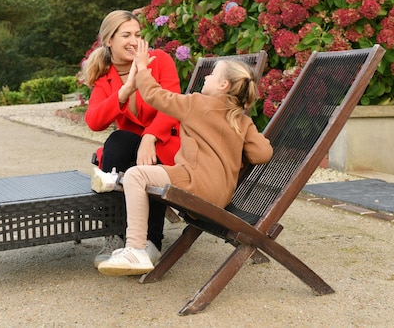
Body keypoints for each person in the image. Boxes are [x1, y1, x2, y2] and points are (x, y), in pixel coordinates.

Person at [97, 40, 273, 276]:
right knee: (148, 173)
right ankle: (115, 185)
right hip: (220, 196)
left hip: (194, 183)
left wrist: (142, 67)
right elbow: (262, 153)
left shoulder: (195, 103)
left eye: (212, 74)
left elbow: (153, 95)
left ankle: (136, 249)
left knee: (137, 175)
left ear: (223, 84)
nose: (207, 77)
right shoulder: (242, 120)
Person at [80, 10, 181, 268]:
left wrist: (149, 137)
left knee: (144, 160)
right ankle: (115, 236)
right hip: (128, 151)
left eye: (137, 34)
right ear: (109, 40)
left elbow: (173, 105)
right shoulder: (106, 78)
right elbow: (93, 120)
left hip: (165, 144)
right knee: (118, 143)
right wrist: (125, 90)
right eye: (125, 35)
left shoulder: (159, 61)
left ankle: (151, 243)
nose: (134, 41)